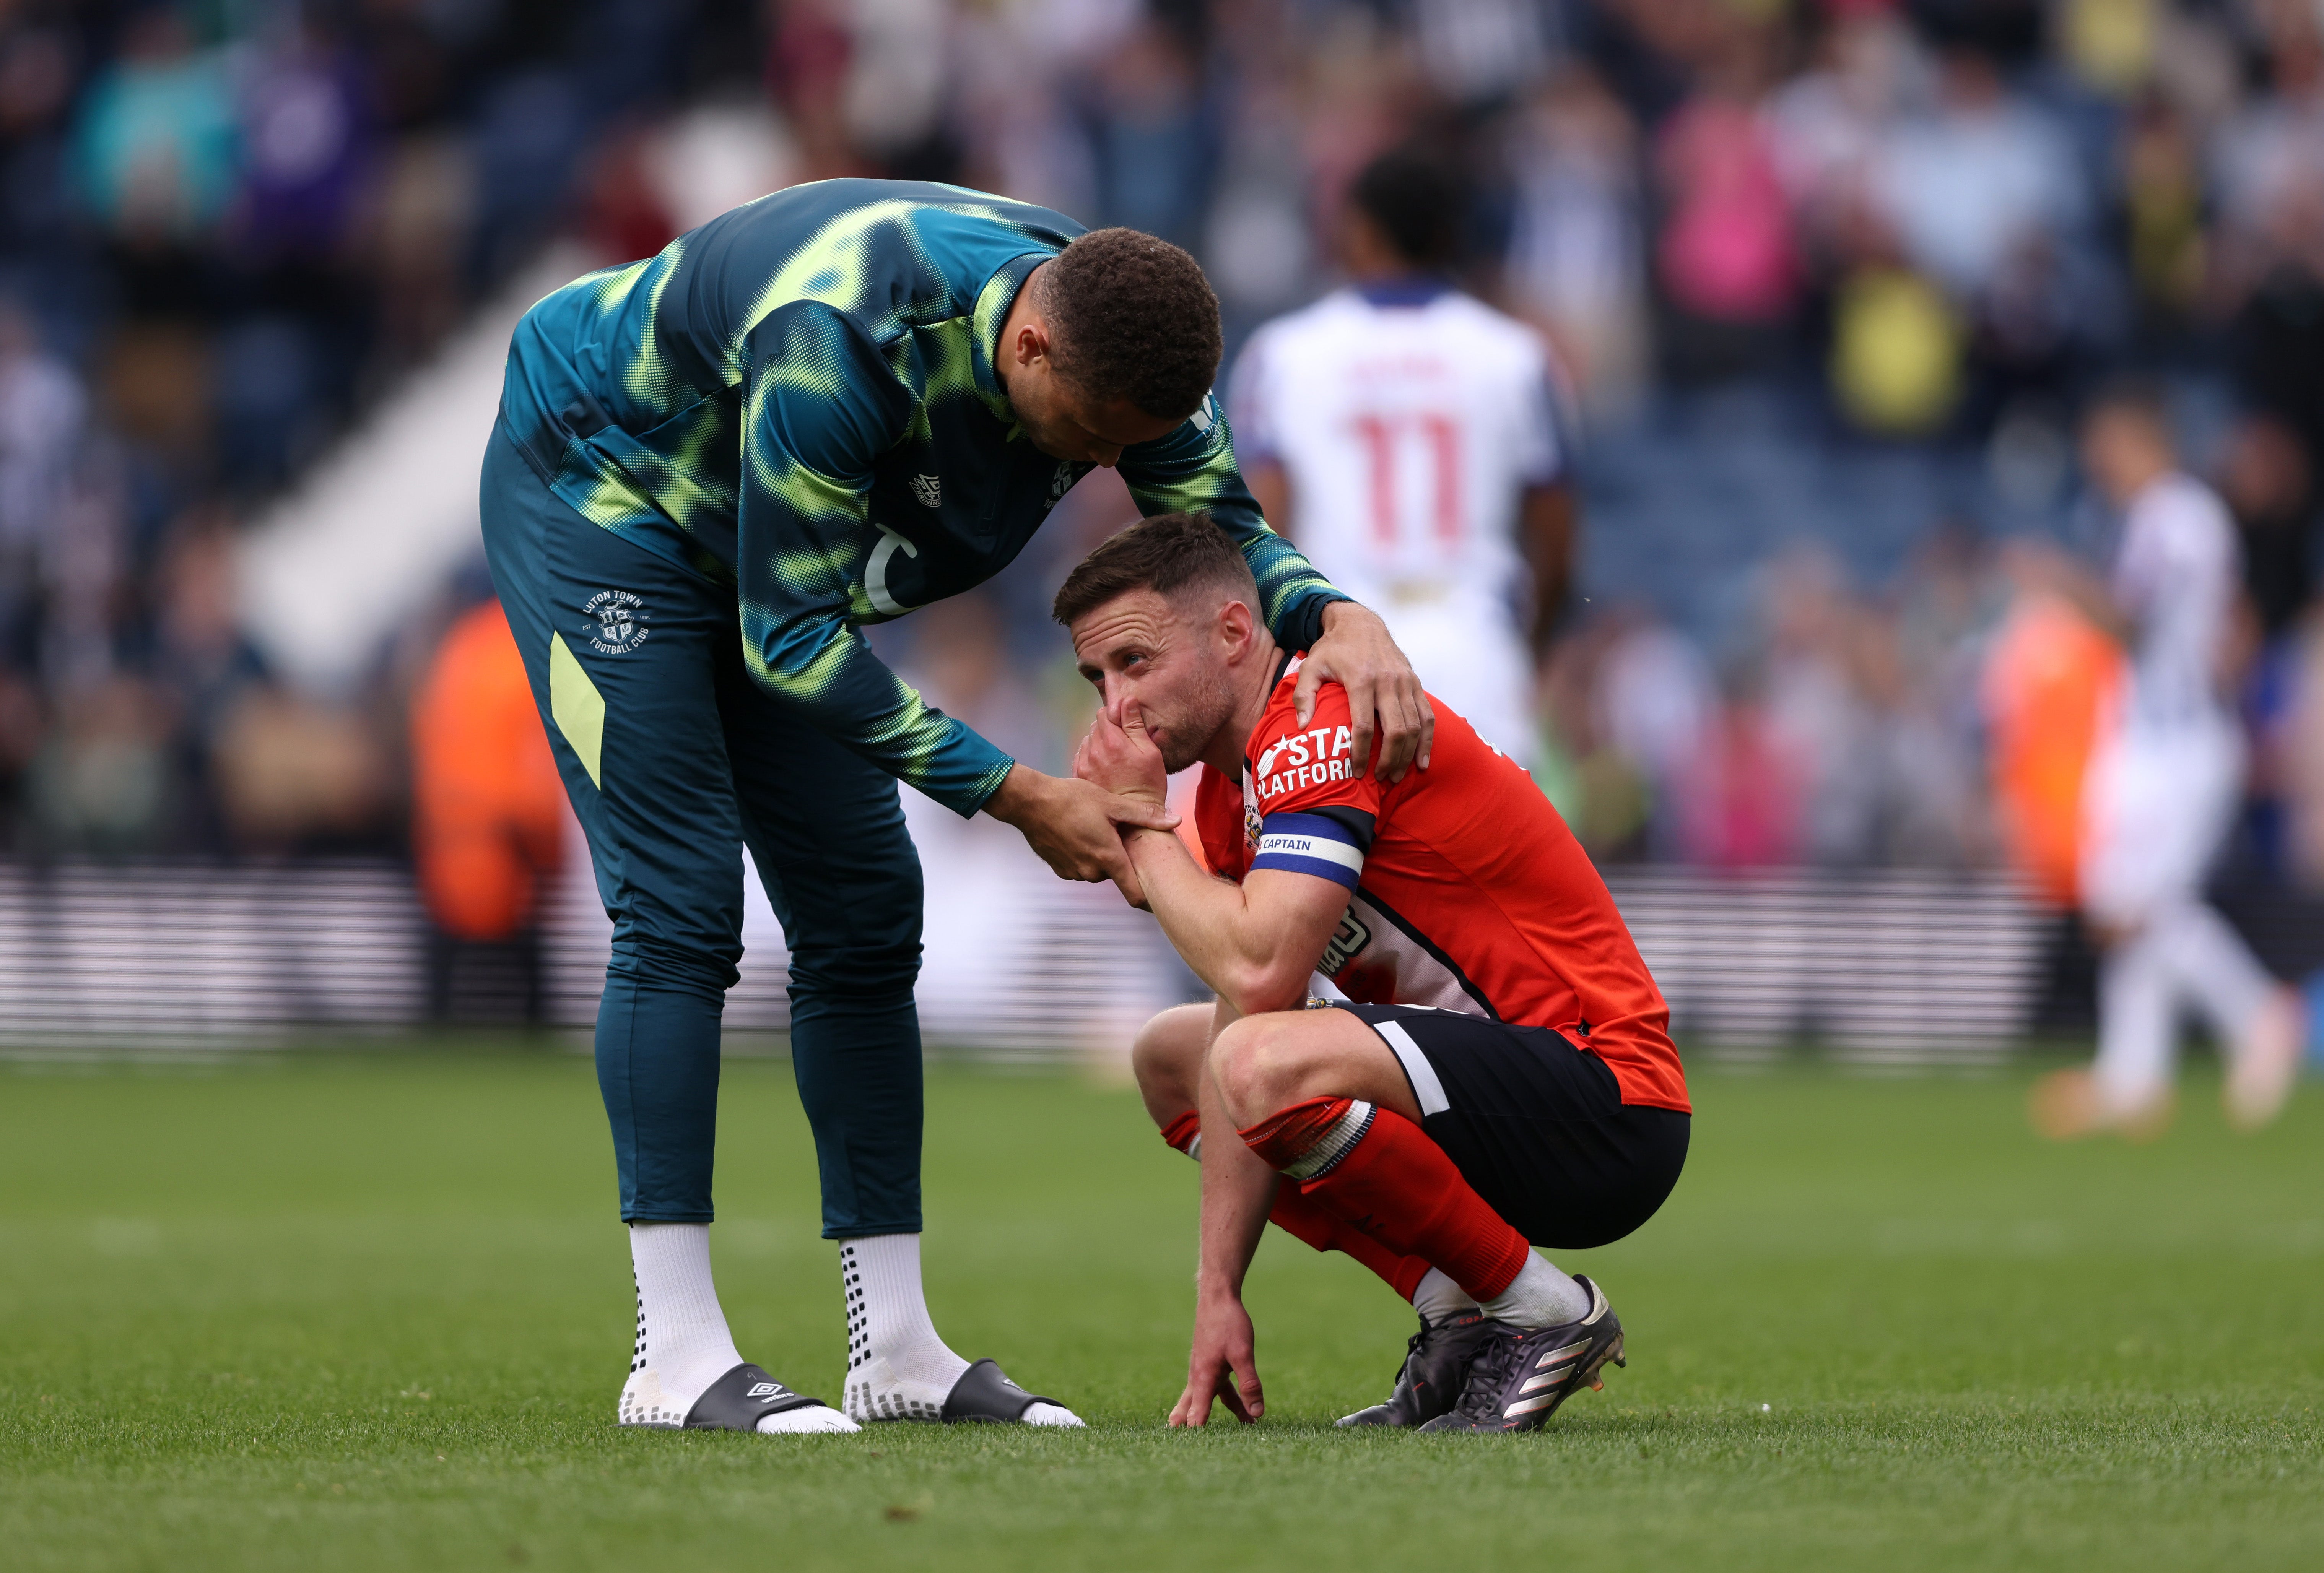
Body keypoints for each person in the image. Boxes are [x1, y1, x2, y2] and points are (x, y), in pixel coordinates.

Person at [481, 181, 1431, 1435]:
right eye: (1085, 432)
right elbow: (792, 643)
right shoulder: (839, 343)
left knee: (869, 907)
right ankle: (674, 1353)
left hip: (768, 557)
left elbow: (1222, 536)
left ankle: (898, 1351)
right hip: (607, 499)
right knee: (682, 907)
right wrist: (1018, 791)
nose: (1097, 463)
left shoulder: (1129, 342)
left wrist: (1340, 618)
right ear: (1027, 344)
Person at [1056, 512, 1689, 1432]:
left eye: (1136, 663)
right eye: (1097, 678)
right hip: (1497, 1095)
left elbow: (1265, 972)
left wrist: (1142, 828)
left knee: (1261, 1063)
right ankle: (1461, 1307)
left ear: (1235, 633)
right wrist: (1217, 1289)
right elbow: (1241, 1013)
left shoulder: (1313, 717)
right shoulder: (1238, 786)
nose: (1115, 706)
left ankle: (1545, 1311)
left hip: (1608, 1100)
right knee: (1174, 1057)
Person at [1228, 147, 1575, 762]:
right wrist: (1529, 645)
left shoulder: (1283, 354)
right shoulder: (1517, 355)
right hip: (1475, 634)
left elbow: (1263, 526)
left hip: (1341, 634)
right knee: (1489, 853)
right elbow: (1555, 535)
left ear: (1356, 229)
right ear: (1450, 235)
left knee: (1339, 850)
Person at [2030, 387, 2305, 1139]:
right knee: (2124, 909)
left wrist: (2057, 582)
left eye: (2103, 444)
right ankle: (2134, 1076)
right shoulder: (2194, 517)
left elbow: (2128, 620)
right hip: (2164, 733)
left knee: (2134, 908)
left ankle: (2256, 1013)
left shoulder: (2166, 515)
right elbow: (2235, 619)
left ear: (2137, 440)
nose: (2095, 461)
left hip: (2173, 742)